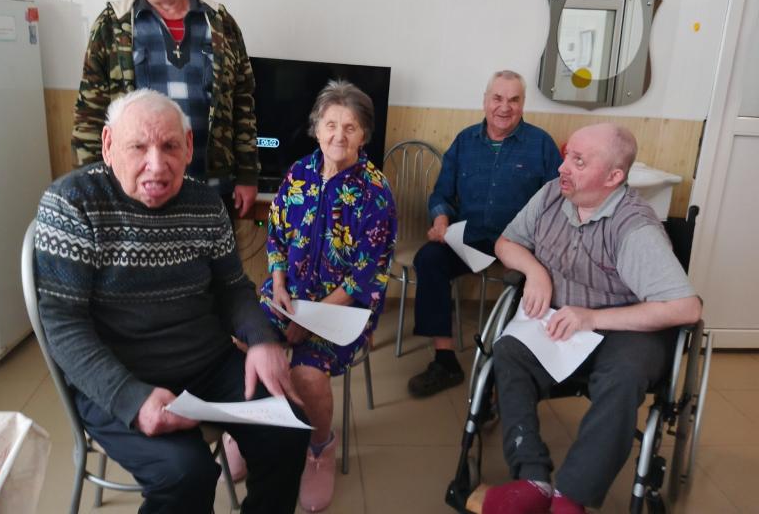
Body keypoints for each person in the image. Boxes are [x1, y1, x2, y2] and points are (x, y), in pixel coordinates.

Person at [35, 89, 309, 514]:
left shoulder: (205, 203)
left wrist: (261, 339)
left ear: (189, 147)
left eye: (169, 146)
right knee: (186, 474)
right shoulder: (72, 203)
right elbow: (63, 325)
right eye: (138, 147)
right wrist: (130, 398)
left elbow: (232, 287)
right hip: (118, 375)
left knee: (289, 430)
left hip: (208, 365)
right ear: (108, 144)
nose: (157, 164)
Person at [485, 123, 702, 513]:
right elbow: (506, 242)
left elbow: (686, 308)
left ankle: (571, 497)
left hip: (627, 327)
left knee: (623, 377)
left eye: (579, 161)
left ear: (613, 177)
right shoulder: (552, 195)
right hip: (564, 317)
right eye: (567, 154)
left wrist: (591, 318)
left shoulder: (634, 227)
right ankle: (531, 477)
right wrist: (535, 272)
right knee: (508, 351)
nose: (563, 167)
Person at [227, 80, 397, 512]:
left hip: (343, 310)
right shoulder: (298, 173)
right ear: (316, 128)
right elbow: (276, 236)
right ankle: (249, 429)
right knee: (242, 342)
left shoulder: (375, 193)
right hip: (288, 296)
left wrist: (309, 319)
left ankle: (319, 447)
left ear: (364, 134)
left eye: (350, 127)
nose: (339, 135)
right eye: (331, 125)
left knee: (307, 376)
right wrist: (279, 282)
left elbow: (365, 277)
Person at [71, 0, 258, 217]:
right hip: (136, 189)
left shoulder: (221, 23)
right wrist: (91, 184)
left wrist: (248, 175)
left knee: (214, 251)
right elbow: (90, 114)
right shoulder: (112, 25)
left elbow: (243, 102)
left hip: (211, 189)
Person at [407, 70, 562, 398]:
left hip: (521, 244)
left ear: (523, 104)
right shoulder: (465, 141)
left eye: (514, 100)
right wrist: (441, 221)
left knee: (546, 276)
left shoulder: (541, 145)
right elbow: (442, 194)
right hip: (471, 238)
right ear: (485, 101)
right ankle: (445, 360)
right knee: (429, 259)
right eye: (498, 98)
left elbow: (559, 202)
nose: (505, 107)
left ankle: (516, 366)